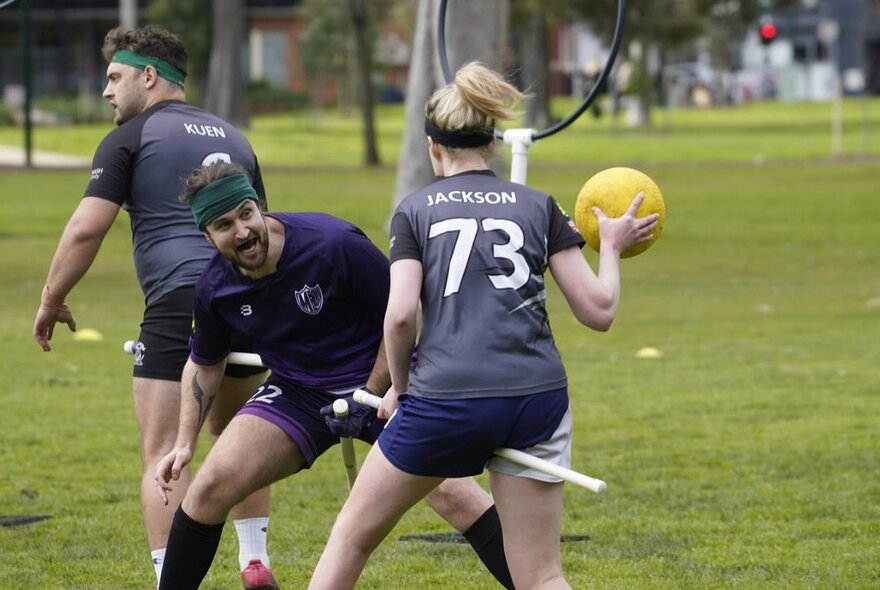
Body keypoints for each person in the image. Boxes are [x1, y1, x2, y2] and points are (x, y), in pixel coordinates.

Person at [308, 62, 660, 590]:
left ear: (433, 148)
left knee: (352, 538)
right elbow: (599, 311)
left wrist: (399, 390)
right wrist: (609, 246)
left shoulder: (414, 210)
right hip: (536, 401)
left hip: (444, 400)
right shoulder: (541, 206)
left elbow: (401, 314)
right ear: (492, 143)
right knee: (541, 575)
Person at [154, 161, 513, 589]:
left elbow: (404, 311)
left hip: (388, 382)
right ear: (207, 237)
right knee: (210, 488)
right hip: (298, 391)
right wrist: (182, 443)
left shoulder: (332, 243)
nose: (243, 230)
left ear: (260, 206)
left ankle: (537, 581)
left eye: (247, 213)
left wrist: (377, 389)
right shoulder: (215, 287)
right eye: (225, 224)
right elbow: (206, 363)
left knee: (454, 495)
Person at [31, 26, 279, 589]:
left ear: (149, 75)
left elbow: (85, 229)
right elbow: (258, 233)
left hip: (179, 303)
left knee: (164, 452)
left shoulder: (130, 138)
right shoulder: (235, 137)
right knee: (240, 431)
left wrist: (52, 299)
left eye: (114, 77)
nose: (106, 92)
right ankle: (254, 560)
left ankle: (172, 580)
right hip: (248, 301)